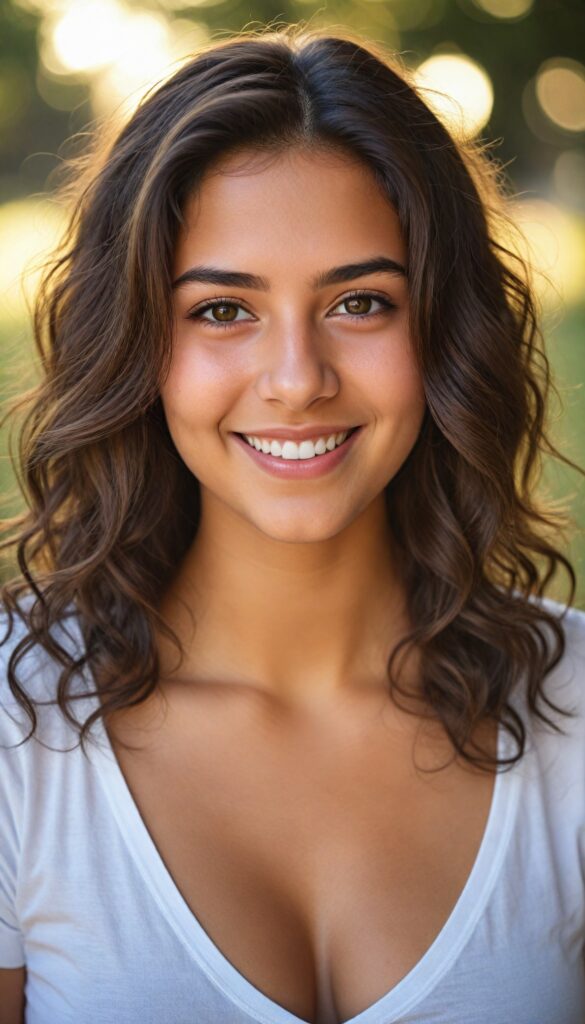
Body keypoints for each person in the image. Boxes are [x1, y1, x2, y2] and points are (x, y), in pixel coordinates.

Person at [0, 21, 583, 1024]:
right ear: (137, 342)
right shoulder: (16, 724)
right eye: (223, 310)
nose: (297, 380)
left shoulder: (575, 712)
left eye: (360, 302)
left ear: (444, 327)